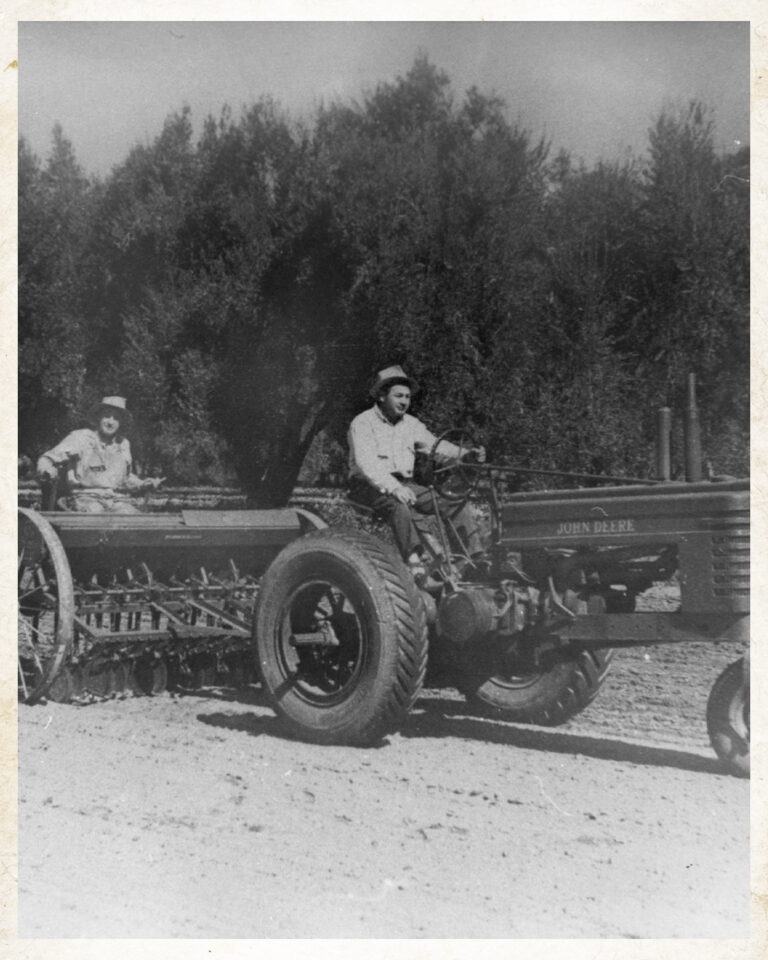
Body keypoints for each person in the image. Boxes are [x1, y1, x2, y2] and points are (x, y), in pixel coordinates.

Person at [348, 365, 487, 576]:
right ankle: (416, 563)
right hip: (366, 486)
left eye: (407, 397)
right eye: (398, 396)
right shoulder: (363, 423)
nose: (404, 401)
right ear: (382, 397)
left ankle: (471, 560)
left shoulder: (411, 424)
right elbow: (367, 464)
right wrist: (394, 488)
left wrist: (466, 455)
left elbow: (435, 446)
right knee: (399, 506)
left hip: (405, 485)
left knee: (453, 500)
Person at [36, 395, 164, 514]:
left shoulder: (124, 444)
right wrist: (47, 470)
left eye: (116, 418)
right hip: (85, 498)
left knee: (133, 520)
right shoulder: (80, 438)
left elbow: (125, 478)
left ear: (121, 423)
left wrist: (144, 483)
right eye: (107, 416)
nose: (110, 422)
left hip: (117, 500)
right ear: (98, 418)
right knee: (95, 518)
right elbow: (46, 459)